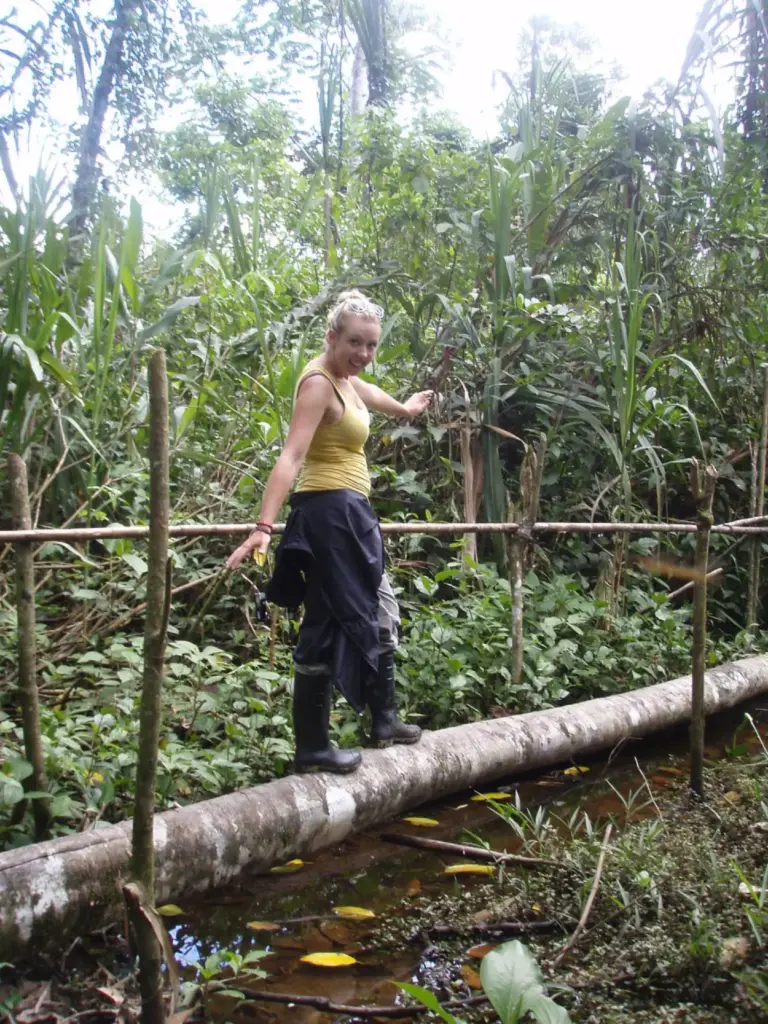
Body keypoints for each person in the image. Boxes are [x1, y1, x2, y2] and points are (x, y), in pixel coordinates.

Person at [227, 290, 433, 775]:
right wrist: (263, 526)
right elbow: (291, 456)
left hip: (351, 514)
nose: (364, 353)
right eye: (355, 342)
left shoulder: (346, 381)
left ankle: (384, 720)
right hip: (328, 515)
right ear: (332, 337)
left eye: (372, 345)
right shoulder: (319, 384)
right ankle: (313, 747)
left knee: (379, 606)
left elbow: (373, 394)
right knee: (326, 621)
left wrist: (406, 410)